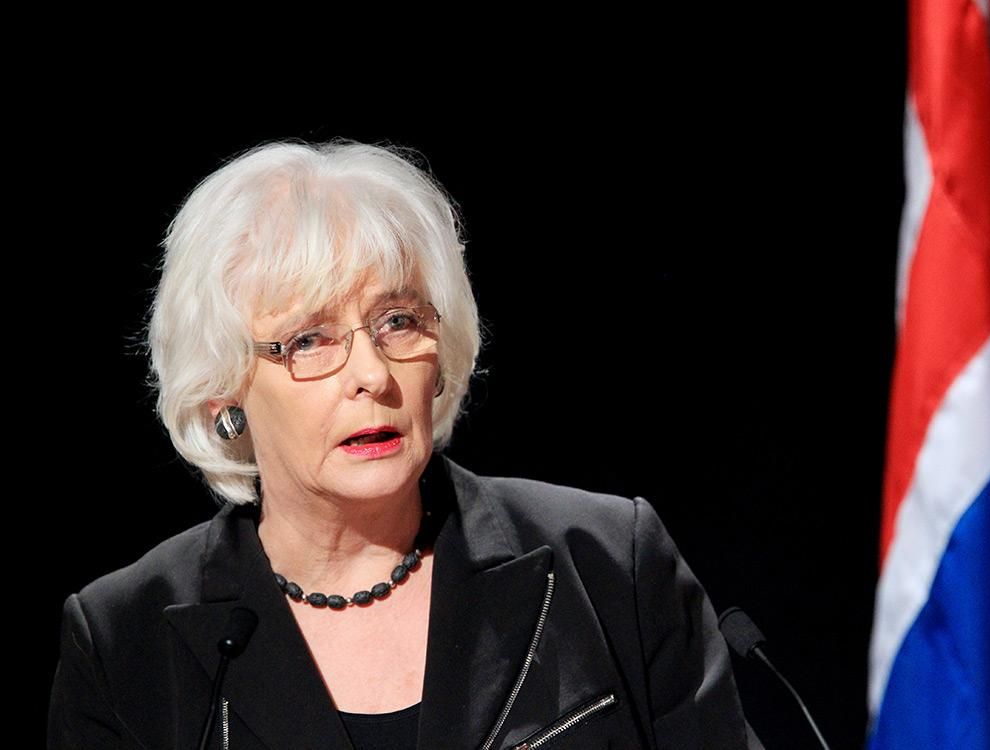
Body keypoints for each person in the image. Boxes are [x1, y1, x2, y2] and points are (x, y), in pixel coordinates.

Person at [47, 139, 755, 749]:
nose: (373, 374)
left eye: (397, 321)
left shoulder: (606, 563)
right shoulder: (123, 640)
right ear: (222, 386)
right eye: (308, 340)